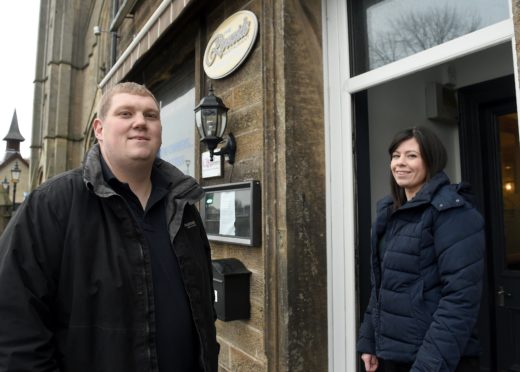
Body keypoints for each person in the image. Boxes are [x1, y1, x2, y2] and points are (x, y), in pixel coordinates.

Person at [0, 82, 219, 371]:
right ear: (99, 130)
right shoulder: (51, 205)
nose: (140, 122)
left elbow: (203, 313)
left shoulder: (185, 209)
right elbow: (14, 327)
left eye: (150, 116)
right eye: (126, 114)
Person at [357, 127, 485, 372]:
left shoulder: (453, 213)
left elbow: (460, 299)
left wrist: (428, 366)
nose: (400, 163)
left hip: (437, 360)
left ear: (431, 160)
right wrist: (369, 341)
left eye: (411, 156)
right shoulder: (388, 213)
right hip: (393, 355)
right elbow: (382, 287)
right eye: (396, 156)